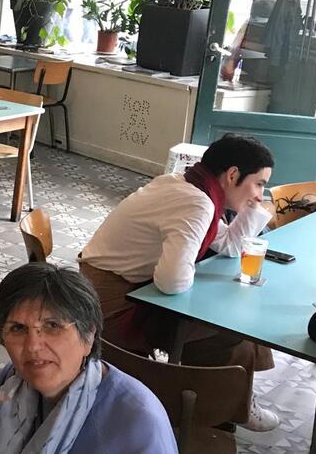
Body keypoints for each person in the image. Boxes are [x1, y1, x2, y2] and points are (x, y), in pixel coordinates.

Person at [77, 133, 278, 431]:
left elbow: (228, 245)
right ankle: (227, 406)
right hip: (109, 301)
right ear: (233, 174)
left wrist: (251, 207)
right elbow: (172, 281)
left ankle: (230, 402)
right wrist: (211, 292)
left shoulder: (188, 184)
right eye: (259, 183)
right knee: (236, 326)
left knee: (234, 321)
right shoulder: (196, 202)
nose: (261, 193)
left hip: (108, 283)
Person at [0, 262, 176, 454]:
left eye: (53, 326)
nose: (33, 346)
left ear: (89, 336)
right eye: (18, 329)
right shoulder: (4, 385)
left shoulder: (137, 419)